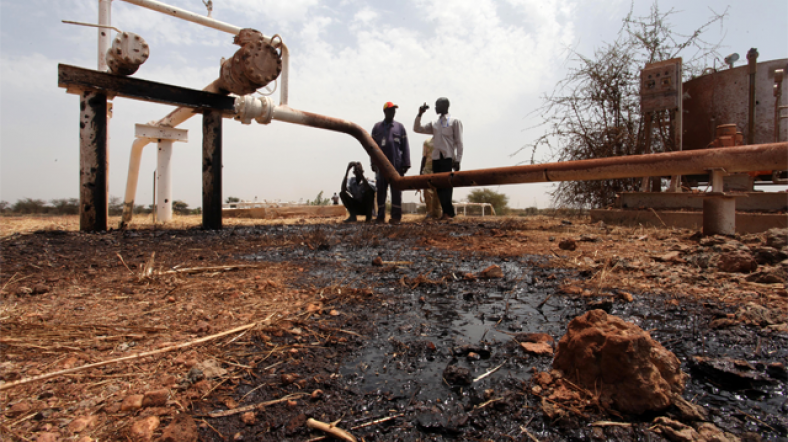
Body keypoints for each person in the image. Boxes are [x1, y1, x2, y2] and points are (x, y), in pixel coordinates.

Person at [413, 97, 463, 220]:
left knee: (447, 185)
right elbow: (417, 129)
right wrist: (420, 114)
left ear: (445, 106)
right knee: (439, 186)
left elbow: (459, 142)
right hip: (436, 159)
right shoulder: (434, 123)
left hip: (447, 158)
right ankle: (446, 213)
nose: (435, 108)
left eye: (437, 105)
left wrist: (458, 160)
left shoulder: (455, 121)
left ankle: (448, 213)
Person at [371, 102, 410, 224]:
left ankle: (396, 217)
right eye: (390, 110)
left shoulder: (400, 127)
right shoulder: (377, 127)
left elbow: (405, 147)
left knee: (396, 191)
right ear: (385, 112)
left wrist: (406, 164)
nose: (393, 112)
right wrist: (373, 163)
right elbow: (371, 147)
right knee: (381, 190)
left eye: (394, 110)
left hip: (396, 165)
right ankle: (380, 216)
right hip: (381, 166)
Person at [420, 138, 442, 220]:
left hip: (440, 170)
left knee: (439, 193)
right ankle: (429, 213)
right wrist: (421, 171)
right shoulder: (427, 142)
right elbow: (424, 157)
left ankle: (438, 214)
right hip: (428, 170)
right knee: (427, 192)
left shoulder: (445, 140)